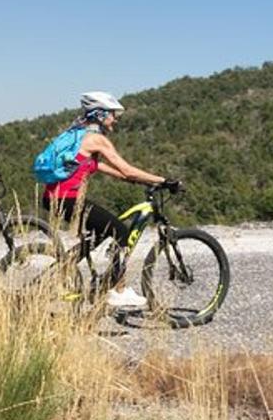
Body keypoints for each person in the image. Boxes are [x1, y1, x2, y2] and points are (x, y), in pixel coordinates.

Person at [42, 90, 180, 309]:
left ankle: (62, 274)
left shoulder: (77, 134)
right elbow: (127, 169)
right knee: (121, 233)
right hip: (68, 199)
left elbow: (99, 166)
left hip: (54, 198)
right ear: (100, 114)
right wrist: (163, 181)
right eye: (113, 114)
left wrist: (133, 180)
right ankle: (117, 290)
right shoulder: (96, 139)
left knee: (98, 235)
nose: (115, 119)